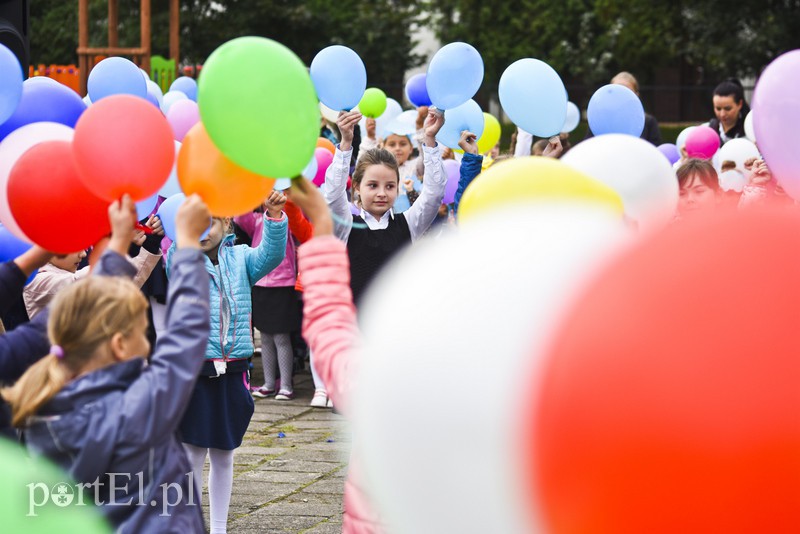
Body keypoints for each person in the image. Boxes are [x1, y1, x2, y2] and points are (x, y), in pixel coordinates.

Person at [2, 194, 213, 531]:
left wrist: (116, 242)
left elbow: (86, 308)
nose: (148, 342)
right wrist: (187, 246)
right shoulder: (143, 405)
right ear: (119, 345)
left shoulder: (38, 415)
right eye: (141, 333)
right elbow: (187, 334)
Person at [171, 198, 287, 534]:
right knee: (192, 451)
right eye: (196, 224)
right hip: (195, 370)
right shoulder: (183, 260)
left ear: (227, 226)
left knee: (224, 452)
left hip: (234, 368)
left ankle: (219, 527)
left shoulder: (241, 259)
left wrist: (276, 217)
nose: (203, 230)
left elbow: (272, 255)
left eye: (210, 222)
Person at [322, 108, 446, 306]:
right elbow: (333, 195)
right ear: (357, 187)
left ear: (397, 187)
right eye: (372, 185)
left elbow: (434, 193)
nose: (381, 193)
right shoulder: (346, 226)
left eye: (389, 186)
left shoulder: (408, 223)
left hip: (397, 324)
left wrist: (429, 140)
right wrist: (345, 143)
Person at [23, 215, 163, 319]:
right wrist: (119, 243)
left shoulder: (64, 271)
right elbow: (88, 283)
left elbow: (118, 286)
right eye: (77, 247)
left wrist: (149, 246)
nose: (83, 254)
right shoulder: (37, 280)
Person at [234, 191, 300, 402]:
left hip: (284, 283)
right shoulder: (256, 221)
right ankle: (269, 383)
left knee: (281, 337)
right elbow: (239, 216)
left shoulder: (287, 220)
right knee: (266, 337)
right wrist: (252, 195)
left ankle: (286, 385)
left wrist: (281, 204)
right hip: (261, 283)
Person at [709, 78, 751, 145]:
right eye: (718, 109)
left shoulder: (751, 133)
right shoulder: (708, 130)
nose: (722, 114)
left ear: (740, 104)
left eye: (727, 108)